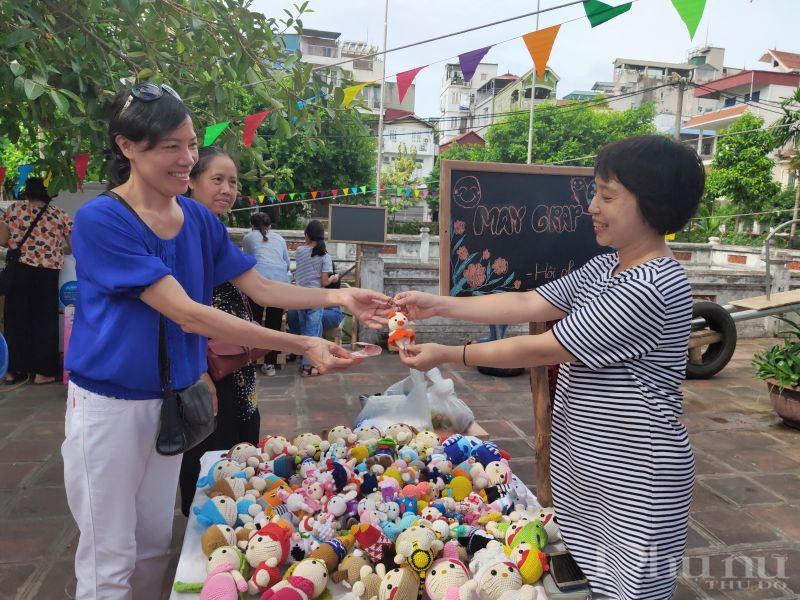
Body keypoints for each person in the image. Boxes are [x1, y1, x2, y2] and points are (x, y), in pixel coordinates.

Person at [61, 83, 389, 600]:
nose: (186, 158)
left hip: (174, 401)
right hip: (110, 407)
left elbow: (258, 286)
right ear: (127, 146)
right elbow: (191, 315)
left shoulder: (195, 220)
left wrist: (343, 298)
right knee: (108, 557)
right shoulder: (102, 220)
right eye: (171, 146)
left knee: (153, 545)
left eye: (191, 144)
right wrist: (303, 345)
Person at [395, 135, 704, 600]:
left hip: (637, 477)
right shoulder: (607, 267)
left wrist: (449, 353)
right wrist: (437, 304)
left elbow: (543, 348)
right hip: (591, 464)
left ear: (653, 204)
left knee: (629, 590)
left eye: (607, 195)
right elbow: (528, 299)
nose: (592, 207)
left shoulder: (652, 284)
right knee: (589, 582)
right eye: (594, 192)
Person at [177, 146, 259, 517]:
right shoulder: (178, 232)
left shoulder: (215, 233)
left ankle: (234, 514)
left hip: (235, 363)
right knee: (208, 450)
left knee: (240, 445)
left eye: (233, 182)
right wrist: (196, 369)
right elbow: (173, 312)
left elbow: (263, 289)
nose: (227, 189)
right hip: (202, 363)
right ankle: (208, 530)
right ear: (191, 182)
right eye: (217, 180)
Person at [0, 176, 73, 385]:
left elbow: (2, 240)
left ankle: (13, 371)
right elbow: (74, 245)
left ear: (28, 194)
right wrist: (56, 249)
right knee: (45, 320)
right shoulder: (59, 214)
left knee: (16, 319)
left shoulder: (14, 209)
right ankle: (43, 373)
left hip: (19, 270)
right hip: (47, 272)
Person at [242, 211, 290, 376]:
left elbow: (246, 262)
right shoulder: (280, 239)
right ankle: (270, 364)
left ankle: (250, 363)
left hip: (257, 284)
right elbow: (287, 264)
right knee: (274, 325)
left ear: (252, 225)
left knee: (253, 323)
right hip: (279, 285)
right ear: (270, 225)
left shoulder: (248, 238)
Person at [291, 219, 338, 377]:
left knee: (306, 332)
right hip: (315, 298)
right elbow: (324, 282)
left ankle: (312, 363)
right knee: (313, 333)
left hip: (298, 297)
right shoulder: (325, 256)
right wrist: (334, 278)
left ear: (307, 235)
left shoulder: (299, 251)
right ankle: (308, 366)